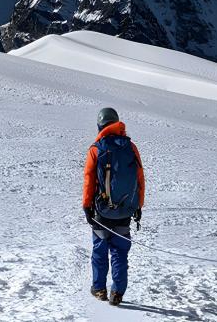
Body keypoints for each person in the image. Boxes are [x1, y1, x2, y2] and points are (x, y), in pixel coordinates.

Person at [82, 107, 146, 307]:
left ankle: (99, 289)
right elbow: (140, 178)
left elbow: (89, 180)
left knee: (100, 250)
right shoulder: (131, 147)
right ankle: (117, 293)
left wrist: (86, 206)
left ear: (100, 125)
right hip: (125, 211)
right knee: (119, 252)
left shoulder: (96, 148)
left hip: (101, 211)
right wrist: (138, 205)